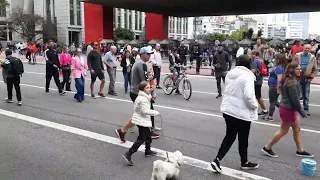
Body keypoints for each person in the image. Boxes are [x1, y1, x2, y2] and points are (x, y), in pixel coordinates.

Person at [211, 55, 259, 173]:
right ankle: (244, 162)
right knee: (243, 139)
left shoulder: (230, 73)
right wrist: (255, 105)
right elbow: (249, 95)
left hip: (229, 110)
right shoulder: (248, 75)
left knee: (230, 136)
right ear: (248, 64)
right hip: (241, 112)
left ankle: (217, 160)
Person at [262, 63, 314, 158]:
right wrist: (302, 112)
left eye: (299, 69)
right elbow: (295, 101)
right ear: (291, 71)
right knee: (284, 130)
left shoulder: (291, 80)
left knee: (297, 129)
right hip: (288, 109)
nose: (299, 71)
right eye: (297, 69)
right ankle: (267, 147)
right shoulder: (292, 83)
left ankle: (300, 150)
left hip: (290, 109)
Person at [115, 47, 161, 143]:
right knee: (144, 114)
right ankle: (146, 133)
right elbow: (144, 82)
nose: (149, 56)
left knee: (140, 115)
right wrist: (151, 93)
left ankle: (123, 131)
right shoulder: (140, 64)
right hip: (138, 93)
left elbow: (146, 79)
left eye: (150, 54)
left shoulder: (141, 63)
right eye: (148, 54)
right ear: (143, 54)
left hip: (138, 92)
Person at [122, 81, 160, 165]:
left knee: (148, 135)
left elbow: (149, 101)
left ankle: (148, 150)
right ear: (142, 89)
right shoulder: (143, 99)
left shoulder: (143, 96)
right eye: (147, 88)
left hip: (141, 119)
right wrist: (154, 112)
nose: (149, 89)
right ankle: (129, 153)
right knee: (141, 138)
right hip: (142, 121)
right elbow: (144, 111)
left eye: (149, 87)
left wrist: (152, 94)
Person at [291, 44, 318, 116]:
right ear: (303, 48)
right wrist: (293, 74)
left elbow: (315, 69)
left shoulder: (312, 57)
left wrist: (311, 77)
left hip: (307, 78)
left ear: (310, 49)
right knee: (296, 93)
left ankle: (306, 108)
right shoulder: (297, 55)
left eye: (308, 48)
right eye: (305, 48)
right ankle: (296, 108)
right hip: (298, 77)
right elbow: (292, 65)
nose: (306, 49)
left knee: (306, 94)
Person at [263, 54, 286, 121]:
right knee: (275, 101)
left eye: (276, 58)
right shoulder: (277, 67)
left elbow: (279, 79)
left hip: (274, 86)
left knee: (272, 101)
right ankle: (285, 110)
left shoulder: (279, 68)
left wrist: (278, 87)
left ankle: (270, 116)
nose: (275, 59)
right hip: (272, 85)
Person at [250, 51, 268, 115]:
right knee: (257, 96)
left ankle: (264, 110)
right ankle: (262, 109)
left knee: (258, 96)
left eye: (252, 54)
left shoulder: (255, 61)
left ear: (254, 55)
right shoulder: (261, 60)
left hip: (256, 81)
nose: (251, 56)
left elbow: (253, 71)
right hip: (260, 79)